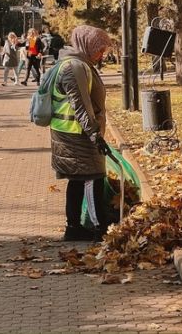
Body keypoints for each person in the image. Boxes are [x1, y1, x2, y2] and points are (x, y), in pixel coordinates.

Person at [50, 24, 113, 241]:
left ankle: (74, 228)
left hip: (77, 132)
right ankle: (99, 228)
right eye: (100, 49)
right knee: (92, 177)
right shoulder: (74, 67)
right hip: (76, 134)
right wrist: (95, 134)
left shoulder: (82, 64)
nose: (101, 54)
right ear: (88, 45)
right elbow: (81, 106)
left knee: (78, 180)